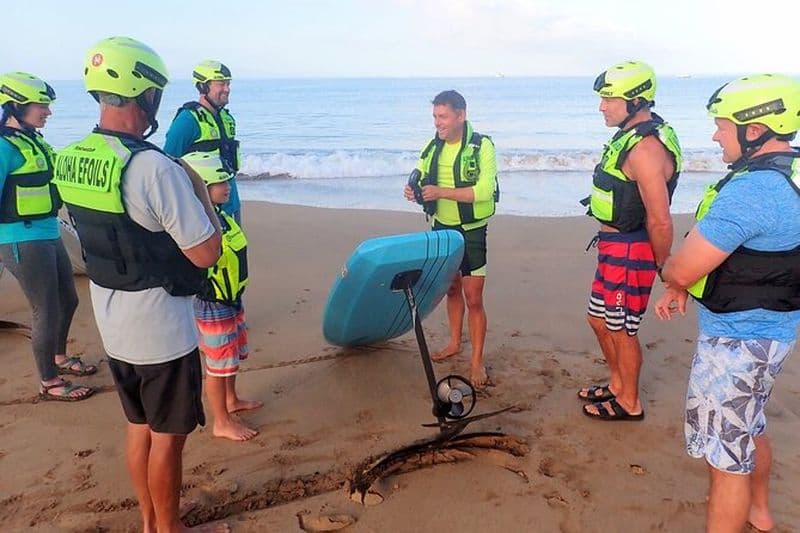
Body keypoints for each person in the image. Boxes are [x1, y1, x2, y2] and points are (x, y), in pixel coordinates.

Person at [52, 37, 228, 533]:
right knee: (168, 439)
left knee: (139, 427)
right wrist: (199, 191)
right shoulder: (152, 167)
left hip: (112, 322)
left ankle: (151, 522)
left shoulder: (72, 157)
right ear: (145, 95)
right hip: (161, 329)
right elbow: (206, 251)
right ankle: (169, 531)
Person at [654, 74, 800, 532]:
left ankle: (741, 513)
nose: (715, 135)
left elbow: (683, 267)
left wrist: (673, 277)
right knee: (748, 425)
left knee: (725, 454)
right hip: (774, 331)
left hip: (740, 341)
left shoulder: (755, 190)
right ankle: (759, 511)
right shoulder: (789, 173)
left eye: (721, 126)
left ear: (754, 130)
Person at [578, 61, 682, 421]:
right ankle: (618, 383)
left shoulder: (646, 150)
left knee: (621, 328)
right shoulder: (630, 138)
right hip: (611, 249)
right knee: (598, 319)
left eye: (610, 99)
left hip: (631, 251)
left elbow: (660, 218)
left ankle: (630, 402)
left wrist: (662, 265)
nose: (602, 106)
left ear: (636, 101)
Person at [0, 72, 95, 402]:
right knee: (45, 309)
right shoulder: (3, 146)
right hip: (20, 238)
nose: (48, 112)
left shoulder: (33, 140)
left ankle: (57, 356)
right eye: (41, 105)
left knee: (68, 300)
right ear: (15, 106)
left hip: (48, 231)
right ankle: (49, 381)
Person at [403, 90, 498, 389]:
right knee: (451, 289)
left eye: (442, 116)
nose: (437, 123)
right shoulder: (432, 146)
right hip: (442, 227)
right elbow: (418, 174)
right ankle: (455, 342)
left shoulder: (482, 146)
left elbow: (483, 191)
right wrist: (412, 190)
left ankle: (477, 361)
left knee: (474, 298)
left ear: (461, 115)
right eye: (434, 116)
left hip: (471, 230)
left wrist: (440, 192)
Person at [182, 152, 262, 442]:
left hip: (230, 300)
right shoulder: (199, 223)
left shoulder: (221, 216)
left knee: (231, 358)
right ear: (202, 186)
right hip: (213, 304)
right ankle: (221, 421)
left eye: (227, 179)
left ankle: (231, 399)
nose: (227, 186)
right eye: (219, 182)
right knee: (217, 365)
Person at [164, 60, 242, 223]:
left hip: (231, 202)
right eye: (221, 84)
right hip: (204, 209)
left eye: (228, 84)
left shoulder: (226, 118)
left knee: (237, 246)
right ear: (203, 86)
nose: (227, 89)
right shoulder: (187, 120)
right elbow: (168, 162)